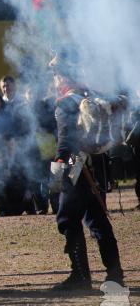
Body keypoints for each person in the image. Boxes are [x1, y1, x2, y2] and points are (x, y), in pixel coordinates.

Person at [49, 57, 124, 290]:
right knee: (99, 221)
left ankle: (80, 277)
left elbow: (65, 141)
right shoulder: (91, 95)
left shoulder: (64, 102)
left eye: (57, 75)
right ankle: (115, 274)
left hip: (76, 164)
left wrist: (60, 165)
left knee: (68, 219)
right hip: (98, 165)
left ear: (63, 76)